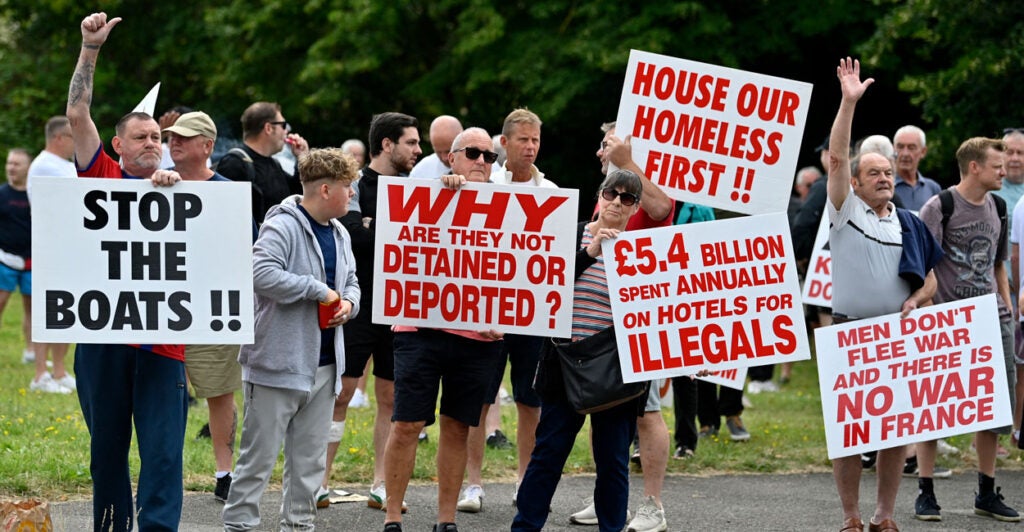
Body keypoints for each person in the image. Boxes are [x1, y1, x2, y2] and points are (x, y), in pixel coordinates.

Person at [67, 13, 193, 530]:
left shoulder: (182, 191)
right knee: (108, 452)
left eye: (158, 136)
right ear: (117, 145)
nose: (152, 142)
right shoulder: (99, 175)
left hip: (163, 343)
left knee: (163, 455)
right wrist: (90, 49)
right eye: (141, 136)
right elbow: (77, 113)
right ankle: (112, 525)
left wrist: (173, 189)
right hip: (103, 340)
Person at [826, 57, 940, 532]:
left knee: (898, 431)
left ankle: (884, 516)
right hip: (850, 332)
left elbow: (931, 277)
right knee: (849, 434)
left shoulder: (909, 222)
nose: (884, 178)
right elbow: (835, 157)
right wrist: (848, 103)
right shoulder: (844, 212)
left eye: (888, 173)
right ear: (854, 183)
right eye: (874, 172)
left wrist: (917, 300)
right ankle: (852, 517)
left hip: (897, 335)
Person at [222, 147, 360, 531]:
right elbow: (259, 273)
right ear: (327, 190)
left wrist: (349, 302)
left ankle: (299, 527)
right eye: (348, 187)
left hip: (325, 366)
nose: (353, 194)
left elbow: (351, 282)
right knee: (257, 461)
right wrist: (316, 289)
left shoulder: (341, 232)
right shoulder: (282, 225)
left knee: (309, 465)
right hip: (276, 363)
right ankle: (239, 526)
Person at [382, 127, 505, 532]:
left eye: (489, 156)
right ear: (451, 157)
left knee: (457, 426)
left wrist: (507, 320)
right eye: (473, 153)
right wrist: (442, 188)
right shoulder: (427, 187)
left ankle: (446, 520)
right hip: (420, 330)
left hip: (479, 337)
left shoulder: (511, 204)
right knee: (407, 424)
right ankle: (393, 518)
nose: (482, 162)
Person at [512, 169, 647, 532]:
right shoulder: (567, 234)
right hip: (563, 362)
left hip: (615, 370)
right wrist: (591, 251)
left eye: (628, 198)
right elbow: (544, 281)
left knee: (613, 462)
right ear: (599, 196)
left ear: (635, 209)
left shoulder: (644, 253)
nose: (618, 202)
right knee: (547, 455)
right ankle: (524, 526)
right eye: (612, 193)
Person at [567, 121, 673, 532]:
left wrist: (626, 161)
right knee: (602, 410)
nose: (601, 151)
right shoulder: (607, 196)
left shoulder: (641, 188)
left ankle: (653, 505)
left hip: (636, 326)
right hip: (602, 333)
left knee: (646, 414)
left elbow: (663, 209)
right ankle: (607, 496)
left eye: (607, 143)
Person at [915, 136, 1020, 523]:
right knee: (934, 407)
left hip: (993, 320)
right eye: (997, 163)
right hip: (947, 323)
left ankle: (987, 492)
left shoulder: (998, 205)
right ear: (974, 167)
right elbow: (922, 267)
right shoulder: (938, 206)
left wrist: (1005, 308)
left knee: (993, 409)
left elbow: (997, 265)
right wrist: (928, 315)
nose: (1005, 168)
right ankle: (925, 492)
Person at [321, 112, 420, 512]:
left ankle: (382, 484)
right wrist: (375, 229)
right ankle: (320, 482)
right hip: (359, 302)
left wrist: (372, 226)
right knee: (342, 391)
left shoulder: (420, 189)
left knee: (391, 395)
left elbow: (392, 238)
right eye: (411, 142)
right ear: (387, 144)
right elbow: (352, 235)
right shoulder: (359, 183)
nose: (418, 150)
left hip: (400, 304)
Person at [161, 110, 244, 502]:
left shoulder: (228, 193)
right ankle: (163, 469)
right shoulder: (155, 186)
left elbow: (250, 250)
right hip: (161, 307)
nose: (173, 142)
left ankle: (225, 473)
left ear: (207, 146)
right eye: (171, 137)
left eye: (184, 137)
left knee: (219, 392)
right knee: (160, 393)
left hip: (210, 308)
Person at [0, 148, 56, 391]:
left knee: (32, 309)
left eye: (17, 164)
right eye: (9, 164)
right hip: (5, 260)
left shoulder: (36, 194)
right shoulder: (2, 194)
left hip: (33, 261)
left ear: (28, 167)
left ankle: (31, 351)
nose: (12, 168)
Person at [216, 101, 309, 223]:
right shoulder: (234, 163)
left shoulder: (274, 164)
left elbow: (298, 196)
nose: (286, 131)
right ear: (269, 128)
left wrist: (302, 158)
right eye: (283, 125)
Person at [1006, 129, 1024, 447]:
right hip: (1003, 291)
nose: (1014, 158)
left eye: (1020, 152)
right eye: (1009, 151)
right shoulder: (992, 190)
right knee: (1007, 366)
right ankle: (998, 432)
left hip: (1019, 292)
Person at [491, 108, 555, 188]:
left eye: (535, 140)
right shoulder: (488, 186)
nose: (531, 146)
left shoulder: (551, 189)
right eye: (523, 139)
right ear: (504, 142)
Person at [892, 125, 941, 210]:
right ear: (893, 149)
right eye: (900, 147)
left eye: (911, 148)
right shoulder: (885, 185)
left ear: (923, 152)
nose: (905, 153)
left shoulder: (933, 188)